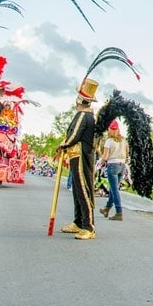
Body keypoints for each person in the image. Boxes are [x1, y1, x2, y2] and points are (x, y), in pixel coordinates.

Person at [59, 77, 98, 240]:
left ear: (81, 100)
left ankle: (88, 226)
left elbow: (75, 134)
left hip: (82, 155)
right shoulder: (84, 114)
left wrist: (64, 144)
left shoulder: (84, 115)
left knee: (83, 189)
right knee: (76, 189)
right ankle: (78, 222)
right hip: (76, 155)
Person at [99, 119, 129, 221]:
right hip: (122, 165)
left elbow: (105, 156)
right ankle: (106, 208)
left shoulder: (109, 141)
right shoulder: (124, 140)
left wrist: (101, 162)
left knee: (115, 190)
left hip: (113, 165)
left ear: (110, 130)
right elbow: (127, 153)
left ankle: (119, 212)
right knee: (113, 188)